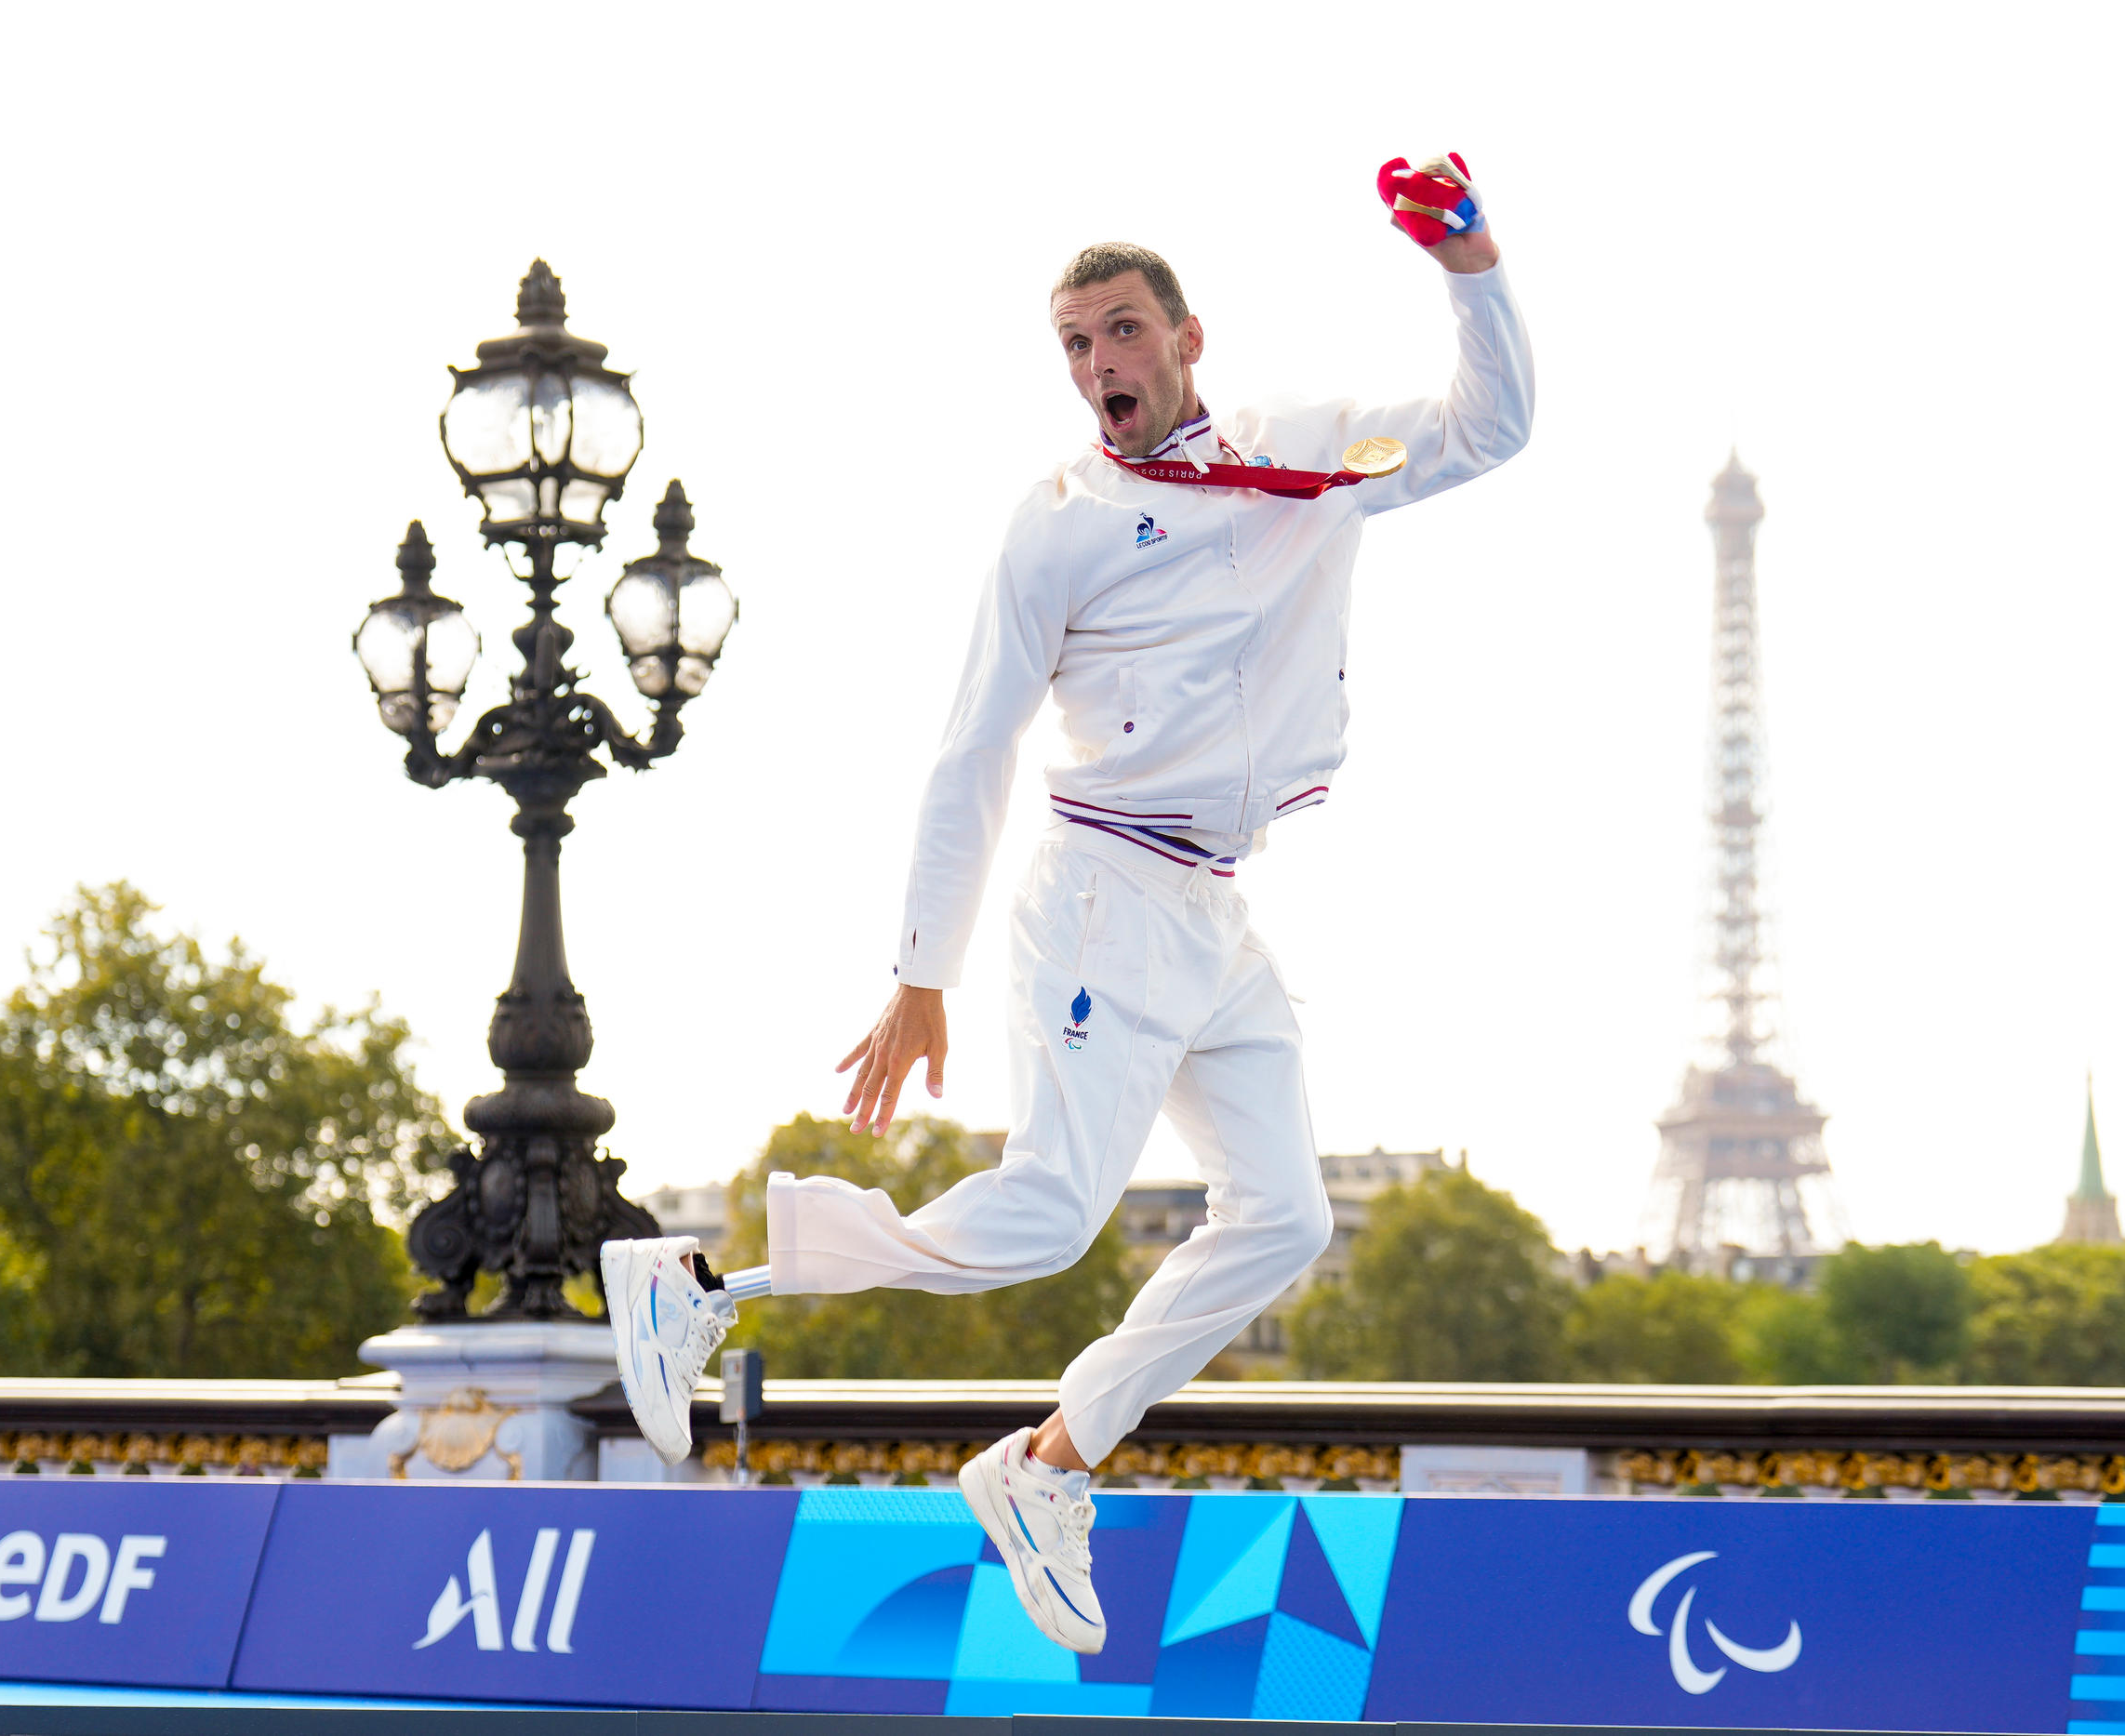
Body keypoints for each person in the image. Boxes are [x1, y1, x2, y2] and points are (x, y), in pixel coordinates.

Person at [604, 152, 1532, 1654]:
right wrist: (922, 970)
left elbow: (1495, 428)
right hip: (1101, 886)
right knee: (1049, 1212)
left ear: (1187, 338)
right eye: (1075, 344)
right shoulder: (1056, 525)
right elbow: (972, 746)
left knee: (1287, 1218)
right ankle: (703, 1286)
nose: (1099, 362)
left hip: (1216, 908)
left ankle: (1046, 1466)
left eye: (1120, 329)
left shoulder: (1305, 452)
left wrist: (1471, 267)